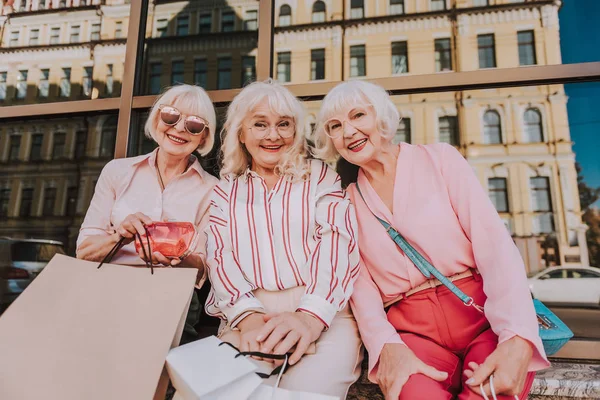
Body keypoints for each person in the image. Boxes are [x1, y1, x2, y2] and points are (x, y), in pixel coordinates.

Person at [313, 80, 549, 400]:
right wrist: (386, 346)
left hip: (484, 319)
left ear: (381, 117)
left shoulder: (440, 159)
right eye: (335, 126)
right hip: (413, 337)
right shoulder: (346, 202)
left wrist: (517, 336)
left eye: (358, 116)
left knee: (492, 391)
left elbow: (494, 248)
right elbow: (361, 289)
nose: (348, 131)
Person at [205, 79, 363, 398]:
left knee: (306, 393)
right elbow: (219, 256)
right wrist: (247, 317)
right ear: (241, 132)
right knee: (219, 393)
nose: (273, 135)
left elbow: (337, 241)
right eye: (260, 124)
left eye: (283, 124)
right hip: (248, 313)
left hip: (323, 311)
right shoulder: (224, 191)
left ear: (295, 130)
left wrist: (310, 317)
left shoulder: (321, 176)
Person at [76, 84, 219, 343]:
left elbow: (202, 270)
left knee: (157, 378)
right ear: (157, 118)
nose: (179, 129)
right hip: (106, 294)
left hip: (172, 300)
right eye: (171, 116)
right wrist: (120, 235)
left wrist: (177, 256)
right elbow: (84, 251)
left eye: (194, 124)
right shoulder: (117, 172)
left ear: (204, 135)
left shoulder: (213, 189)